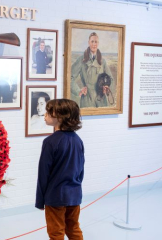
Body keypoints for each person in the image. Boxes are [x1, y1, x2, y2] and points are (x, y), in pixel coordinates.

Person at [35, 99, 85, 240]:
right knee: (74, 228)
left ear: (60, 117)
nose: (45, 115)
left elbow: (43, 174)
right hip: (74, 194)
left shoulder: (50, 142)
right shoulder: (78, 140)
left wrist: (40, 201)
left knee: (56, 233)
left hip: (55, 196)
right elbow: (80, 170)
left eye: (48, 113)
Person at [70, 32, 114, 108]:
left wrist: (107, 88)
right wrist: (78, 90)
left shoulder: (102, 61)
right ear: (89, 43)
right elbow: (70, 78)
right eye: (92, 41)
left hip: (101, 99)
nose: (94, 44)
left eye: (96, 42)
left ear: (98, 43)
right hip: (87, 99)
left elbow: (111, 79)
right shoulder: (81, 60)